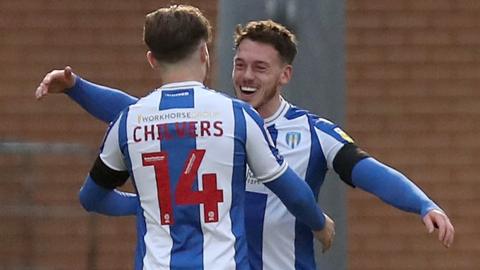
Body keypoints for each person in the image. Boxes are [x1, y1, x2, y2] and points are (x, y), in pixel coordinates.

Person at [36, 17, 454, 270]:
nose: (247, 76)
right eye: (239, 65)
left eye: (260, 67)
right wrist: (77, 87)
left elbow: (369, 171)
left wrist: (423, 205)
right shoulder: (220, 119)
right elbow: (135, 112)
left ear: (284, 75)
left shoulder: (311, 133)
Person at [35, 6, 336, 270]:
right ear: (205, 52)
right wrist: (320, 224)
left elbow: (90, 198)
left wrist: (143, 204)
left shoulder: (130, 121)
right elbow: (291, 191)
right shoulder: (238, 116)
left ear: (152, 59)